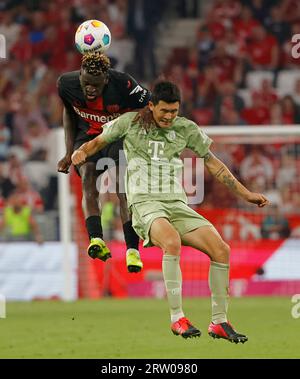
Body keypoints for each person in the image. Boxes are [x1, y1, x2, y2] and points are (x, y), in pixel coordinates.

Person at [71, 81, 269, 342]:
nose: (169, 116)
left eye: (174, 111)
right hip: (144, 203)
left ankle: (219, 322)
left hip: (177, 204)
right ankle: (177, 318)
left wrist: (246, 194)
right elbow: (98, 141)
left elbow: (214, 164)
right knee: (172, 242)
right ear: (151, 105)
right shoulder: (130, 122)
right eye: (164, 110)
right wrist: (81, 152)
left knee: (221, 250)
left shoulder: (186, 129)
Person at [57, 51, 150, 273]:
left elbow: (150, 104)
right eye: (86, 83)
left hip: (116, 138)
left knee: (122, 187)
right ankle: (96, 240)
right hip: (86, 138)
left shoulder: (125, 84)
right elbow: (69, 113)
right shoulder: (66, 84)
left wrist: (140, 136)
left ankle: (132, 250)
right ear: (79, 75)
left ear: (106, 79)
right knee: (88, 178)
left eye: (96, 85)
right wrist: (69, 152)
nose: (90, 88)